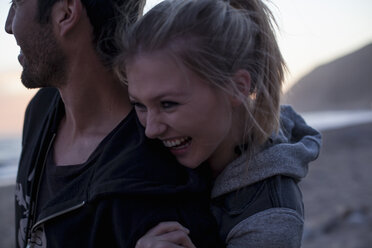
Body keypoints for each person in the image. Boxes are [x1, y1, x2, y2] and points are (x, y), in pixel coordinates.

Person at [5, 0, 222, 247]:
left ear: (66, 12)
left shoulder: (153, 180)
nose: (8, 25)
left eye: (16, 3)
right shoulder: (42, 109)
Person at [115, 0, 322, 247]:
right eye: (139, 105)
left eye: (168, 104)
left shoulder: (270, 221)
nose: (150, 130)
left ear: (237, 87)